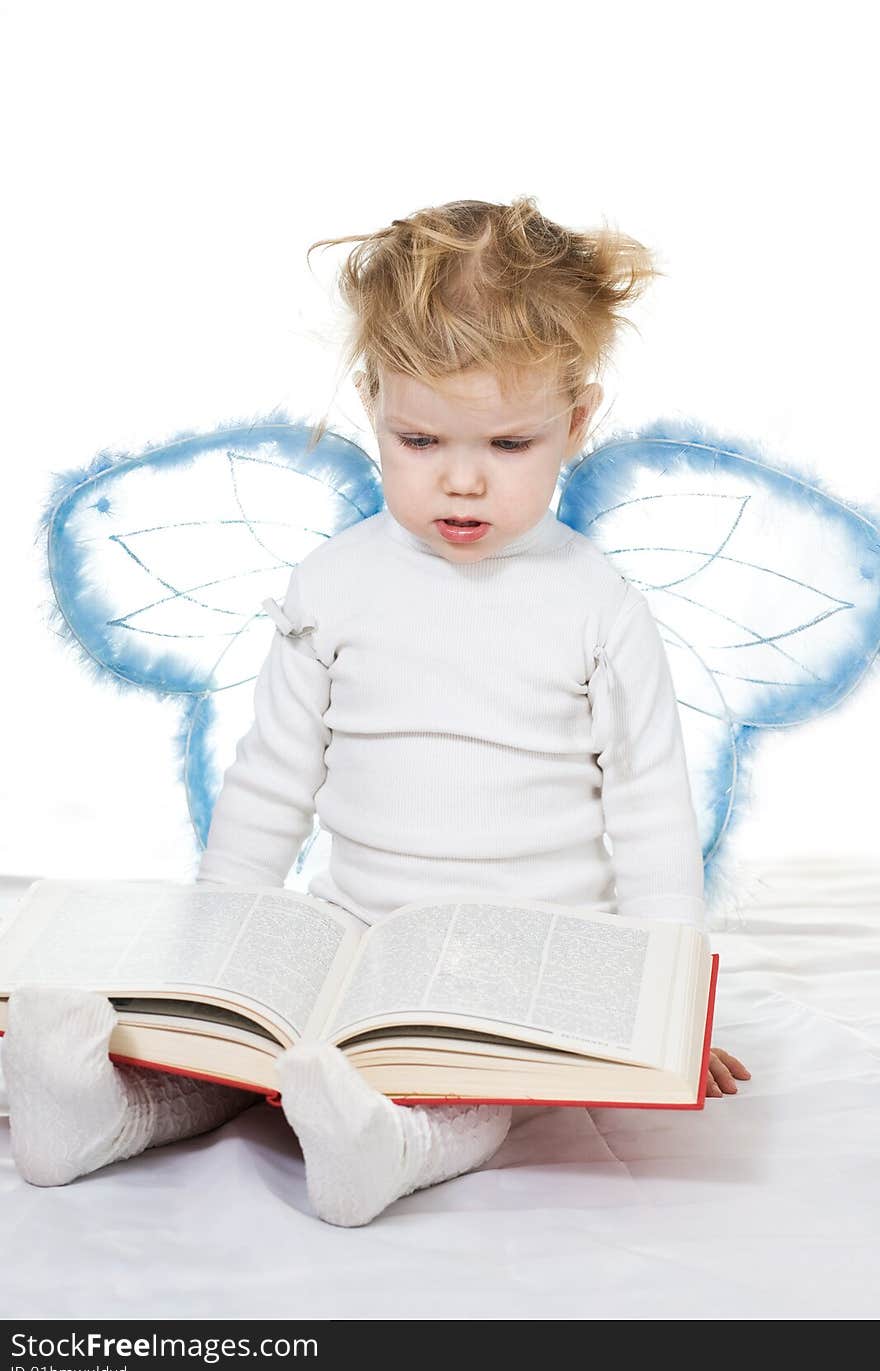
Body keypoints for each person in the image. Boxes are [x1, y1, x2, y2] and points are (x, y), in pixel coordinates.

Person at [3, 196, 750, 1225]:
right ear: (372, 403)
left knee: (474, 1090)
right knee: (246, 1055)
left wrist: (666, 1008)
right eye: (418, 435)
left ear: (576, 423)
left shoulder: (597, 607)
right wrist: (221, 943)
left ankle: (385, 1147)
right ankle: (93, 1113)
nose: (461, 475)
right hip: (351, 944)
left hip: (517, 956)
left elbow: (654, 809)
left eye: (508, 441)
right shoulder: (334, 582)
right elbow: (271, 780)